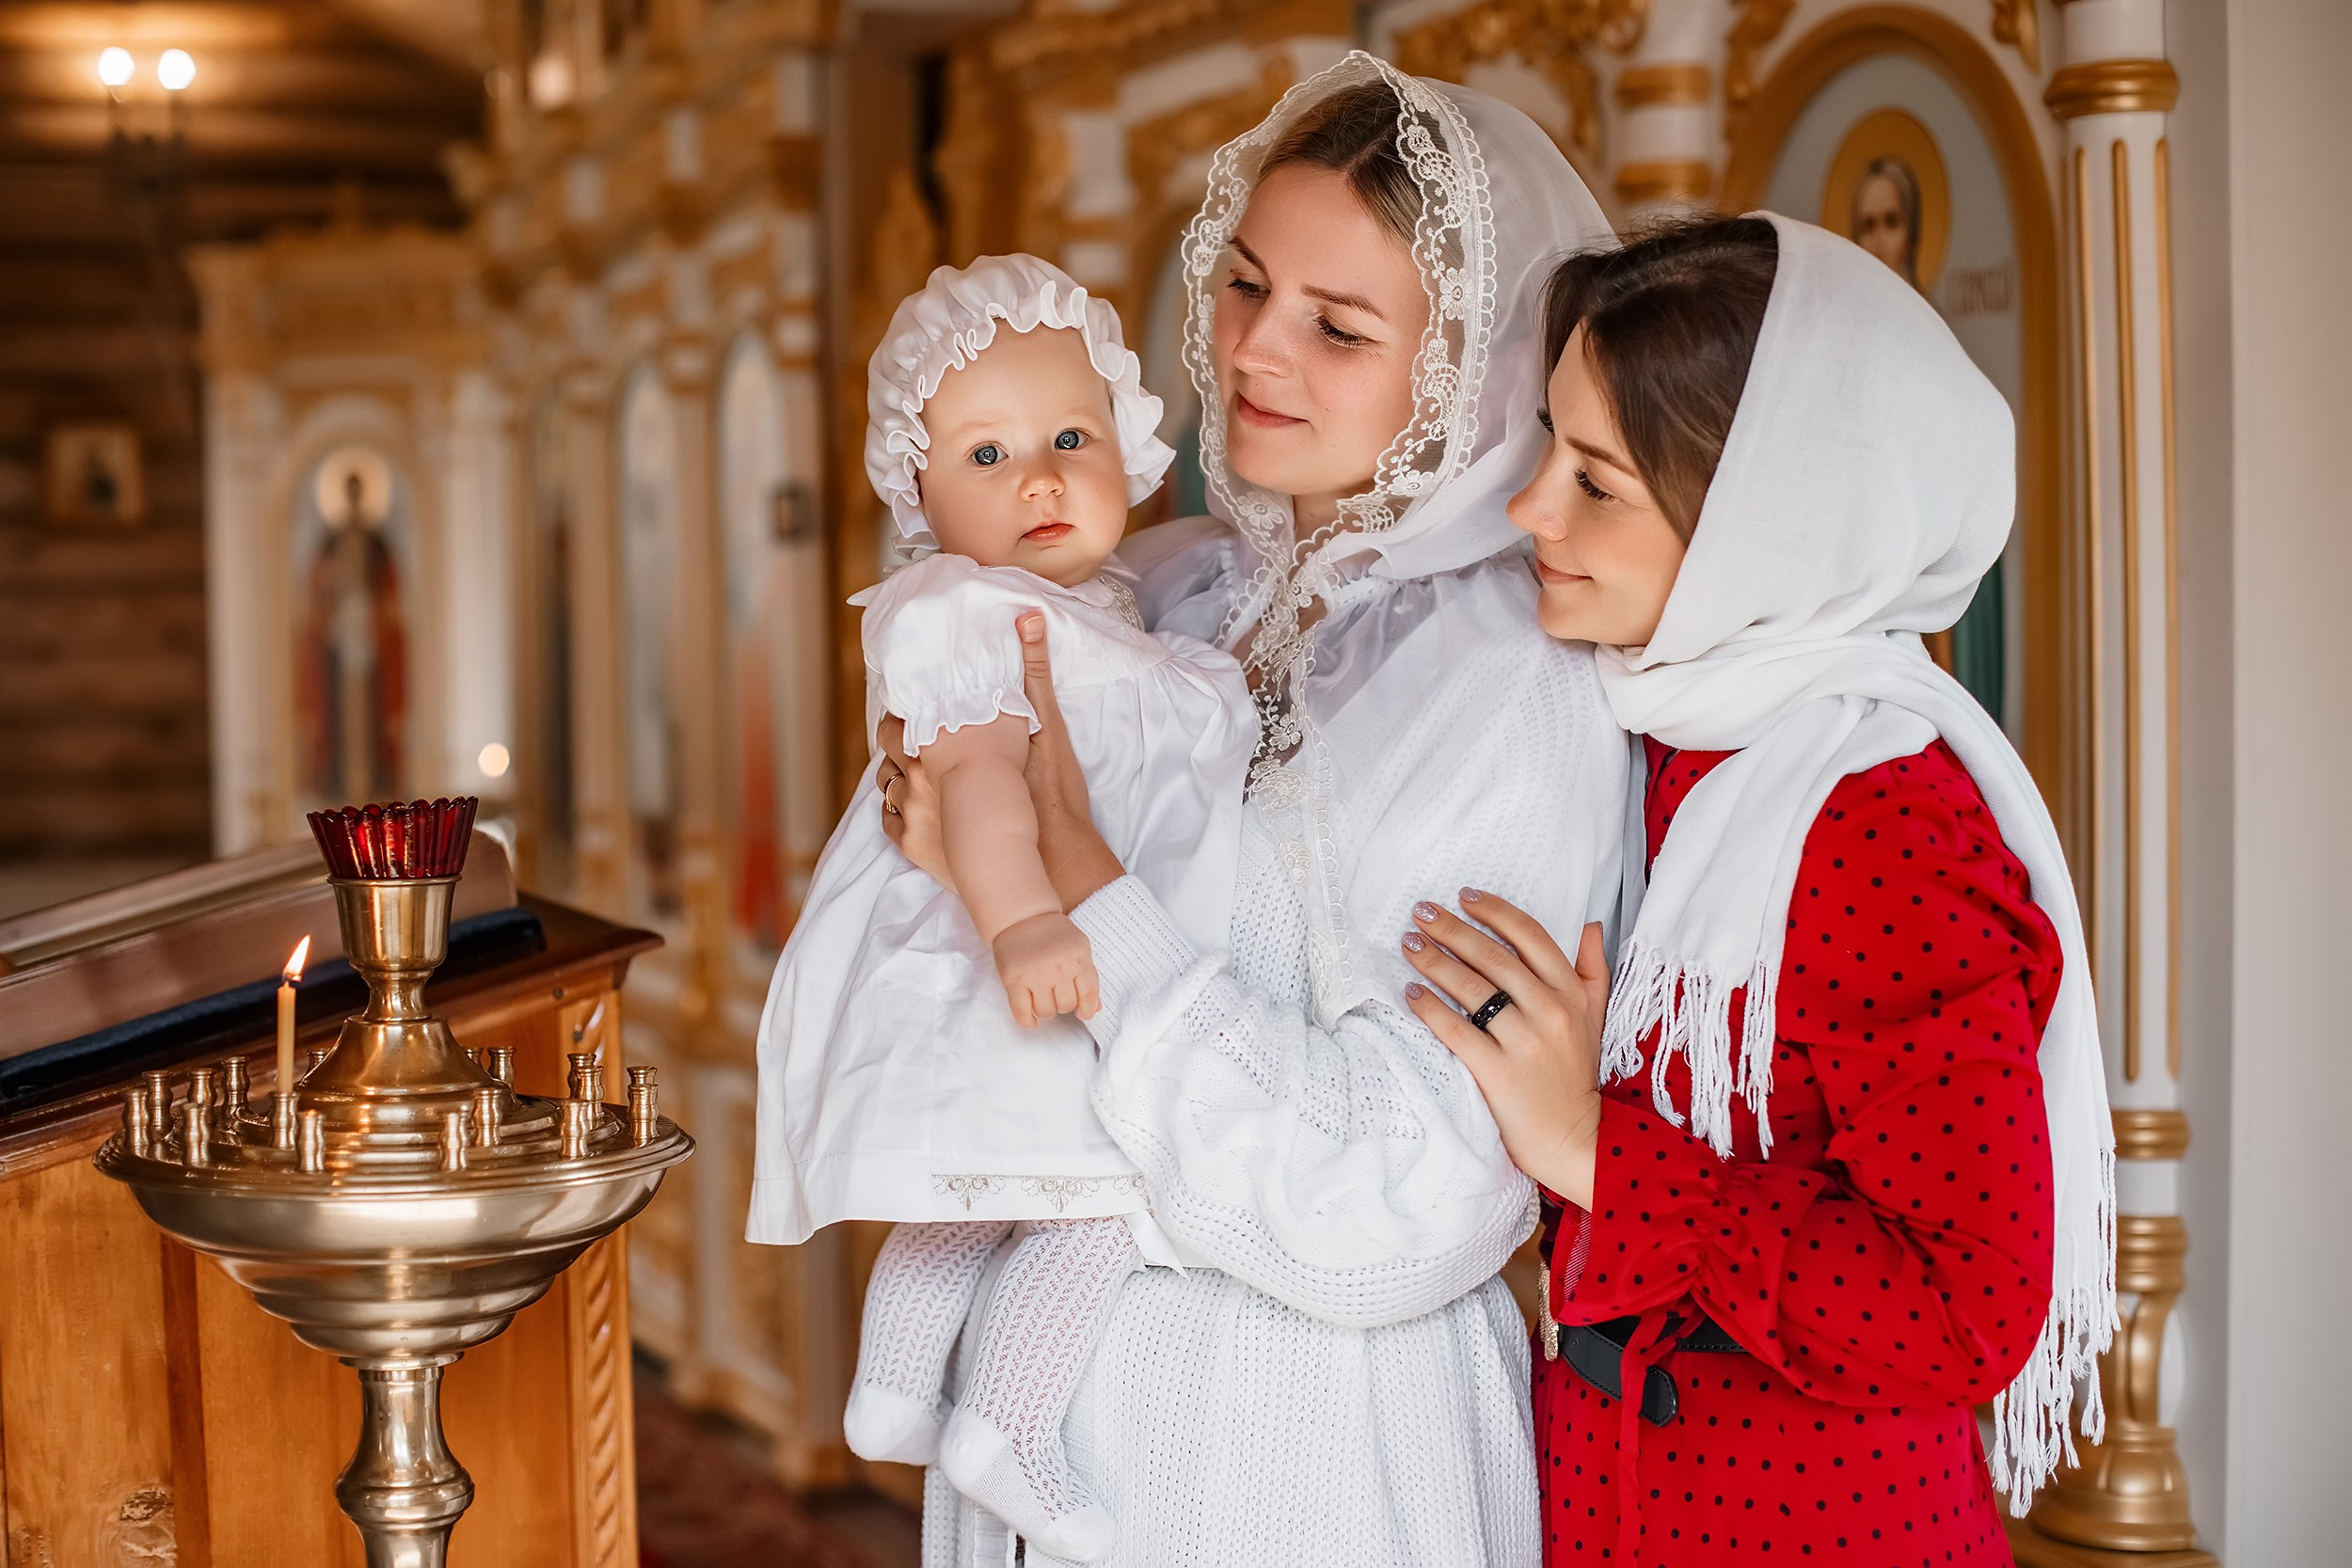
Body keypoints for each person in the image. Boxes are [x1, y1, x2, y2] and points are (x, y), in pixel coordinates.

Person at [876, 53, 1625, 1565]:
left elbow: (1403, 1202)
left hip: (1303, 1451)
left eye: (1339, 327)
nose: (1256, 351)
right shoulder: (1165, 589)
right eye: (1241, 286)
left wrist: (1089, 892)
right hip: (1042, 1428)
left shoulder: (1510, 687)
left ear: (1471, 368)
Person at [1397, 214, 2114, 1564]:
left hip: (1811, 1532)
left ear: (1761, 529)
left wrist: (1598, 1157)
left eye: (1596, 481)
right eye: (1552, 446)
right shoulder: (1654, 740)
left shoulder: (1880, 817)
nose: (1532, 509)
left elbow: (1969, 1307)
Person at [746, 255, 1257, 1562]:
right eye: (988, 454)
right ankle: (1005, 1429)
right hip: (1014, 955)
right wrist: (1028, 920)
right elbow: (975, 782)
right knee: (1098, 1199)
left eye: (1070, 439)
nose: (1039, 478)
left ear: (1132, 450)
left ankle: (895, 1387)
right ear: (915, 492)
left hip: (1021, 955)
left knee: (975, 1201)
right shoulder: (975, 617)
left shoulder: (1101, 609)